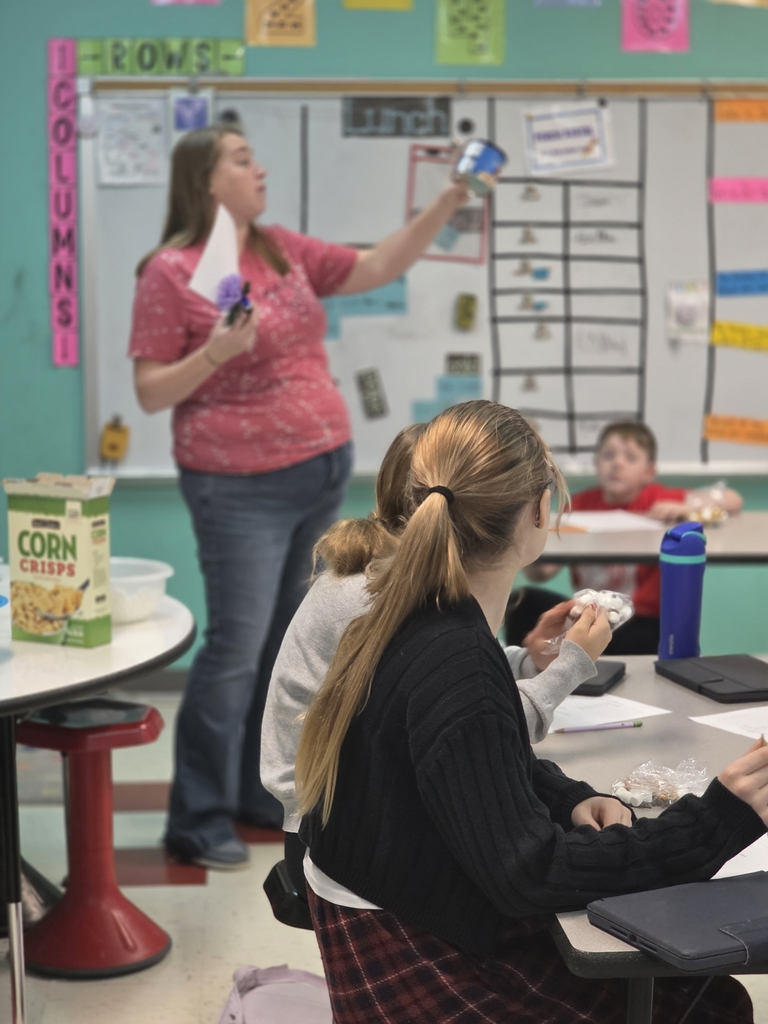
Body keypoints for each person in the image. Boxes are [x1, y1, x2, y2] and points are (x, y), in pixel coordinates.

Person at [294, 400, 766, 1024]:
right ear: (539, 509)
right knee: (710, 1009)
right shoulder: (456, 658)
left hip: (398, 904)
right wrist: (721, 818)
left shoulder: (419, 610)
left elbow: (472, 760)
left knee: (707, 996)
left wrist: (566, 796)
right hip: (408, 940)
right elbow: (532, 873)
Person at [129, 126, 472, 869]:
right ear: (206, 181)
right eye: (243, 160)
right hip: (237, 486)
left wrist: (444, 203)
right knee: (236, 649)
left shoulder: (278, 248)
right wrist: (215, 352)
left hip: (318, 468)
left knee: (289, 640)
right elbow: (150, 390)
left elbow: (380, 263)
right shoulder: (170, 270)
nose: (260, 169)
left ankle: (261, 793)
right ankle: (198, 815)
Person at [261, 423, 596, 902]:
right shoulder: (376, 593)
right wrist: (572, 666)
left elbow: (441, 689)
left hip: (354, 821)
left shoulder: (398, 574)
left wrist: (525, 661)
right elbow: (475, 729)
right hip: (335, 835)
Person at [507, 420, 743, 654]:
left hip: (637, 621)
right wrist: (527, 541)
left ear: (649, 471)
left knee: (653, 634)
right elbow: (543, 572)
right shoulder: (578, 505)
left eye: (630, 458)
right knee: (523, 600)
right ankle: (519, 678)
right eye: (608, 455)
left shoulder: (657, 499)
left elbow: (733, 499)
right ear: (596, 462)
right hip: (586, 618)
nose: (617, 463)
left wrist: (689, 508)